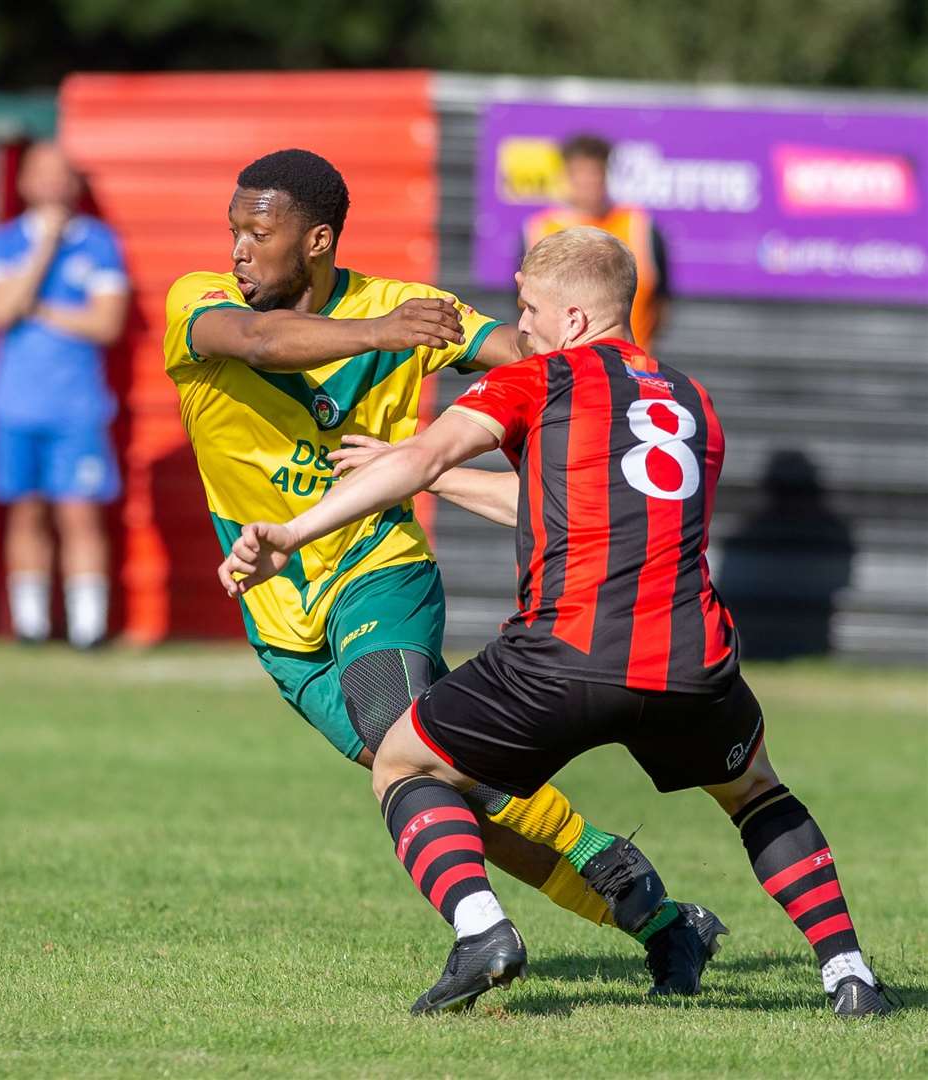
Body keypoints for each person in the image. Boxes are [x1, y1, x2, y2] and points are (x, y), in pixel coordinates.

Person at [219, 226, 893, 1018]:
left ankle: (481, 932)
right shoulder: (691, 402)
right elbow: (566, 513)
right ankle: (849, 974)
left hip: (564, 653)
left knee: (403, 762)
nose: (521, 329)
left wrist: (294, 532)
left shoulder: (542, 378)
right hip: (690, 659)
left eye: (529, 309)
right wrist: (424, 473)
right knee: (755, 794)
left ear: (573, 320)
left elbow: (428, 457)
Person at [168, 149, 725, 995]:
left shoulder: (410, 309)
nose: (239, 248)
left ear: (316, 240)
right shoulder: (202, 301)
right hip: (276, 614)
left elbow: (528, 356)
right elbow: (257, 343)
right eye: (234, 230)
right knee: (452, 805)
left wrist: (614, 381)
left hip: (374, 568)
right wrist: (380, 336)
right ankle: (658, 918)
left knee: (407, 739)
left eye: (259, 231)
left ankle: (483, 936)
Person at [0, 142, 128, 649]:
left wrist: (38, 309)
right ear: (23, 182)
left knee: (80, 513)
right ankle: (31, 626)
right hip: (15, 403)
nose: (52, 182)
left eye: (62, 174)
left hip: (77, 405)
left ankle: (89, 628)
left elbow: (107, 322)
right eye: (41, 172)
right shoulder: (1, 242)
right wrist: (43, 249)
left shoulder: (99, 243)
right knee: (26, 512)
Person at [523, 134, 670, 350]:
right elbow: (525, 305)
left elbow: (661, 303)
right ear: (565, 175)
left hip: (629, 367)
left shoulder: (639, 226)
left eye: (594, 173)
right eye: (579, 174)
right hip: (559, 371)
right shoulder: (539, 229)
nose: (588, 182)